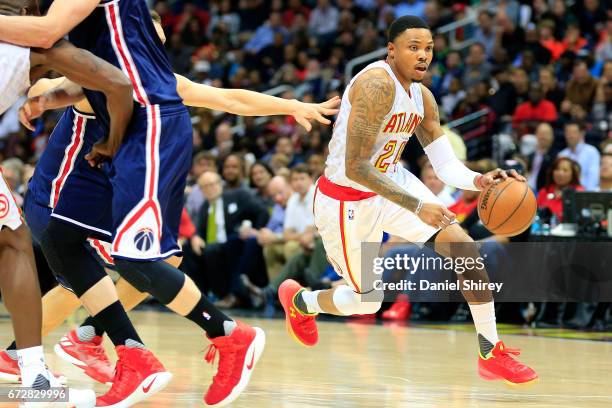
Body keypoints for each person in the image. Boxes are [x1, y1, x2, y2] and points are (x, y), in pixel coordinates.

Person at [11, 10, 339, 394]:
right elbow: (52, 83)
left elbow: (230, 99)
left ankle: (75, 340)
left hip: (98, 178)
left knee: (134, 265)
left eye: (159, 41)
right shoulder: (101, 65)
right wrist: (41, 93)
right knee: (99, 273)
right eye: (150, 38)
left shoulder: (157, 80)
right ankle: (65, 344)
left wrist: (291, 107)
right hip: (55, 192)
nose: (154, 46)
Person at [278, 16, 537, 386]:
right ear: (391, 50)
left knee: (464, 248)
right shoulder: (374, 85)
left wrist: (480, 180)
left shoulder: (421, 96)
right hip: (347, 200)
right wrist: (418, 206)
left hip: (391, 180)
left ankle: (490, 350)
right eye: (413, 47)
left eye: (428, 48)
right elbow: (355, 166)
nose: (423, 55)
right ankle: (303, 302)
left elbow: (445, 164)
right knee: (367, 300)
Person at [0, 0, 138, 403]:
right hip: (68, 185)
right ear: (30, 11)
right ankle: (32, 370)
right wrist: (111, 143)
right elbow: (119, 84)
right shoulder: (41, 45)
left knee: (14, 239)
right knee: (13, 243)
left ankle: (29, 366)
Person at [558, 121, 600, 191]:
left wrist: (586, 195)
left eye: (573, 132)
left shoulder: (592, 151)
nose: (570, 136)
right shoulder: (561, 154)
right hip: (565, 193)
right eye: (568, 133)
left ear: (582, 134)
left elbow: (593, 177)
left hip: (586, 193)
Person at [527, 123, 556, 192]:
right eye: (541, 133)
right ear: (536, 135)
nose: (543, 136)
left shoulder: (556, 157)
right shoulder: (530, 155)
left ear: (552, 136)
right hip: (526, 188)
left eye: (546, 134)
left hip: (543, 191)